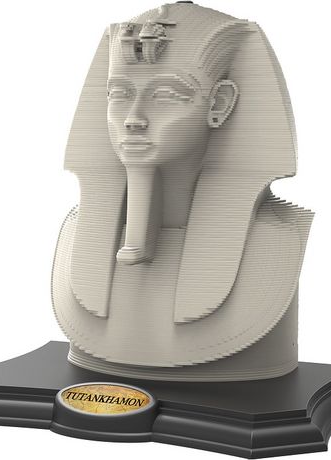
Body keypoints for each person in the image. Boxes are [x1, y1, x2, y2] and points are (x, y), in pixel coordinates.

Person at [52, 2, 313, 381]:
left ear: (219, 105)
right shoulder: (76, 233)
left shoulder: (277, 239)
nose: (134, 119)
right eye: (120, 94)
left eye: (164, 96)